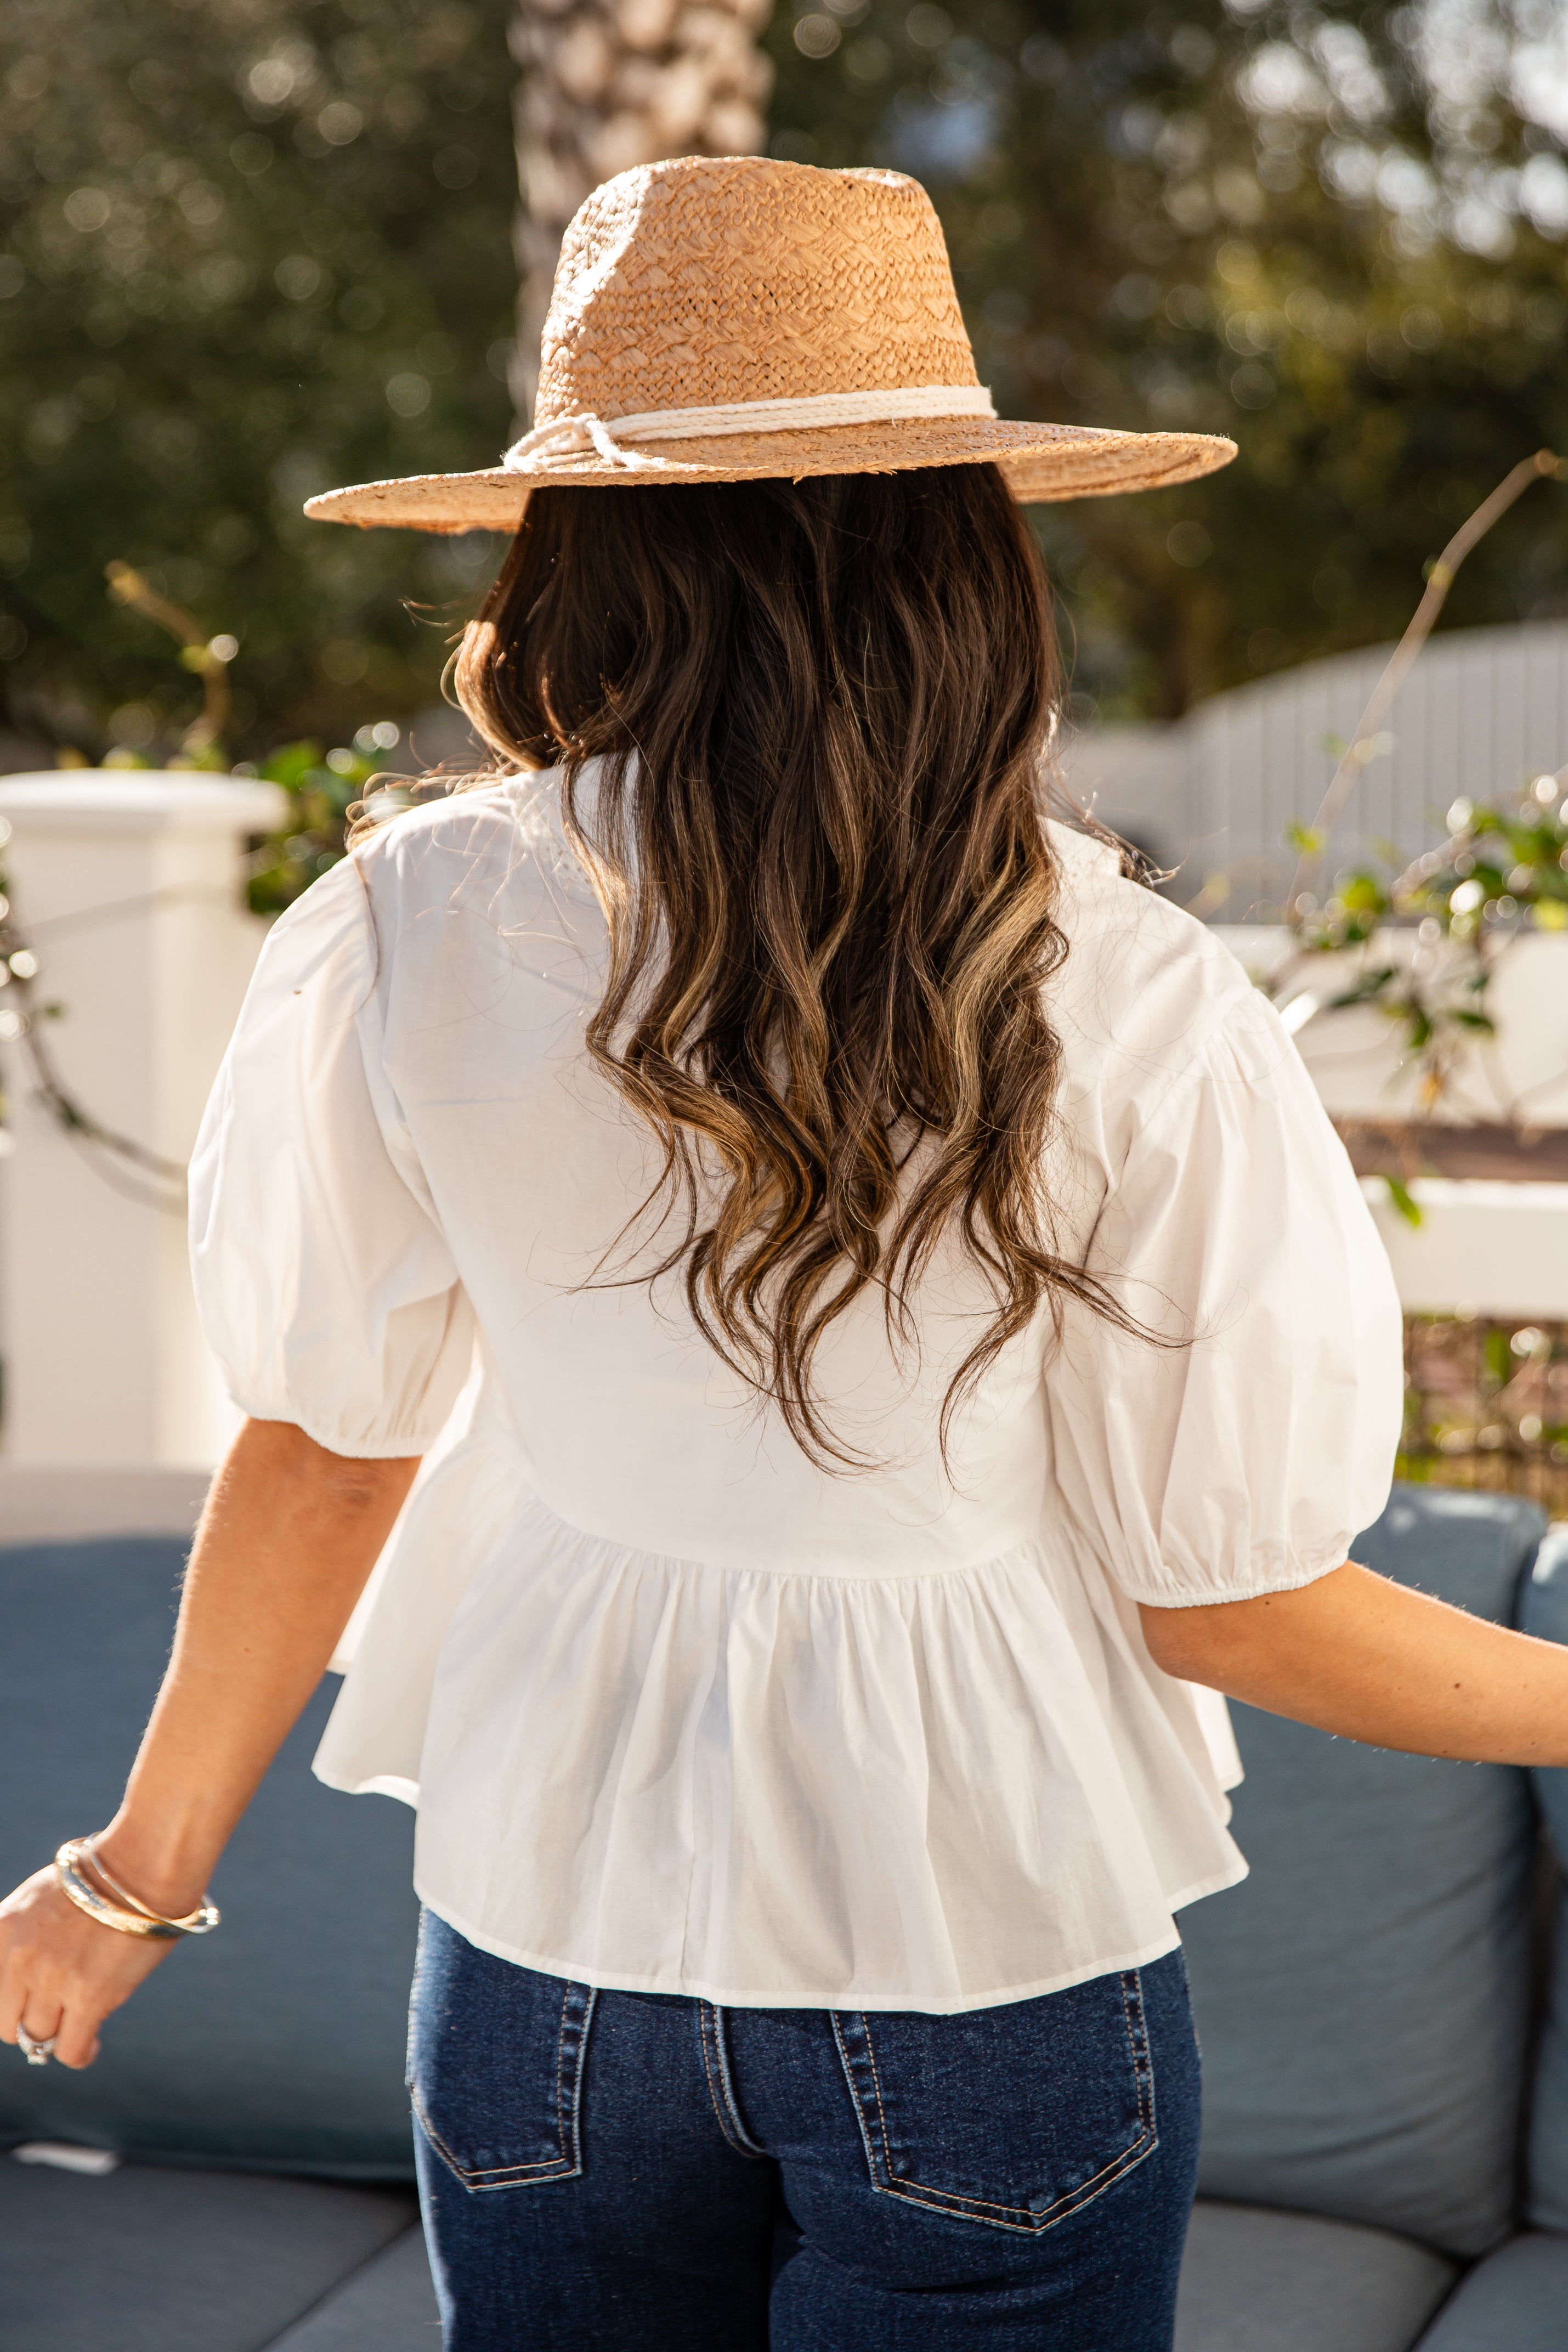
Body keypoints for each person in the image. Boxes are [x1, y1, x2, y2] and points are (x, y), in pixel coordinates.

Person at [4, 157, 1567, 2352]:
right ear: (967, 554)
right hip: (985, 1954)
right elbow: (1231, 1599)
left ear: (572, 550)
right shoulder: (1119, 984)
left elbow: (324, 1456)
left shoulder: (398, 929)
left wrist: (131, 1875)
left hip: (547, 1954)